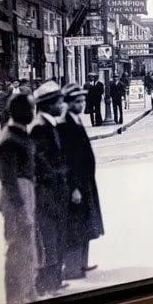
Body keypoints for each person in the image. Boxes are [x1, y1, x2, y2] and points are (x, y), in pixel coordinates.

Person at [0, 92, 38, 304]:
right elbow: (8, 178)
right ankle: (16, 299)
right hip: (17, 198)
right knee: (18, 249)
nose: (33, 113)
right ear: (21, 112)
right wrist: (21, 208)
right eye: (30, 109)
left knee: (27, 248)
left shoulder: (18, 133)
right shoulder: (10, 139)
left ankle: (28, 292)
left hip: (24, 193)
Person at [57, 84, 104, 281]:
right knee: (75, 226)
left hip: (86, 181)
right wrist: (74, 187)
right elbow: (67, 159)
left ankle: (82, 263)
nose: (82, 104)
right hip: (76, 184)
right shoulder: (65, 124)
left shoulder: (75, 121)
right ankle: (72, 268)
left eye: (83, 101)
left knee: (85, 223)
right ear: (68, 104)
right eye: (77, 102)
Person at [30, 81, 69, 297]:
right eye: (58, 101)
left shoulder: (49, 124)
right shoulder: (39, 127)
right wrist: (61, 175)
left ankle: (54, 281)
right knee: (49, 238)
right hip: (47, 194)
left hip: (55, 192)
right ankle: (46, 284)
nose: (62, 104)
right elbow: (42, 162)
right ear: (48, 104)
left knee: (57, 235)